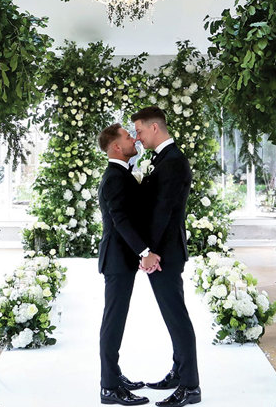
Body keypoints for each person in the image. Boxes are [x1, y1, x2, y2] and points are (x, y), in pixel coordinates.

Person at [132, 106, 201, 407]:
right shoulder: (165, 159)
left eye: (140, 131)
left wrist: (151, 251)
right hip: (166, 249)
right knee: (172, 315)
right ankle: (179, 371)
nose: (138, 137)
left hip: (166, 252)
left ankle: (190, 386)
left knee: (177, 317)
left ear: (155, 128)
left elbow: (165, 211)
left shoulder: (172, 162)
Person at [97, 123, 153, 406]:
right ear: (116, 146)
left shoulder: (119, 174)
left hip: (120, 258)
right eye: (129, 136)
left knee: (115, 320)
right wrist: (144, 251)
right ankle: (109, 387)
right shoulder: (115, 178)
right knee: (113, 323)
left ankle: (114, 376)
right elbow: (120, 221)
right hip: (118, 259)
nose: (135, 139)